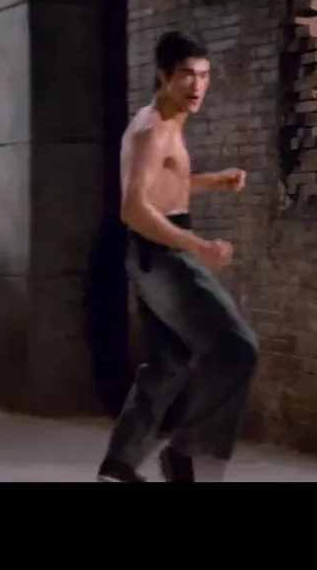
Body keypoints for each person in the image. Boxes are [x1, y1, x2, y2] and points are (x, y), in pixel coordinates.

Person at [96, 30, 259, 483]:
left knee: (168, 364)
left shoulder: (163, 121)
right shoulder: (153, 130)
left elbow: (161, 186)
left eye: (204, 75)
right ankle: (187, 455)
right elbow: (134, 208)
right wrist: (197, 246)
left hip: (151, 251)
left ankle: (119, 466)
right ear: (163, 75)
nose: (197, 85)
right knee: (237, 348)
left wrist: (212, 181)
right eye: (187, 74)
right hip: (162, 254)